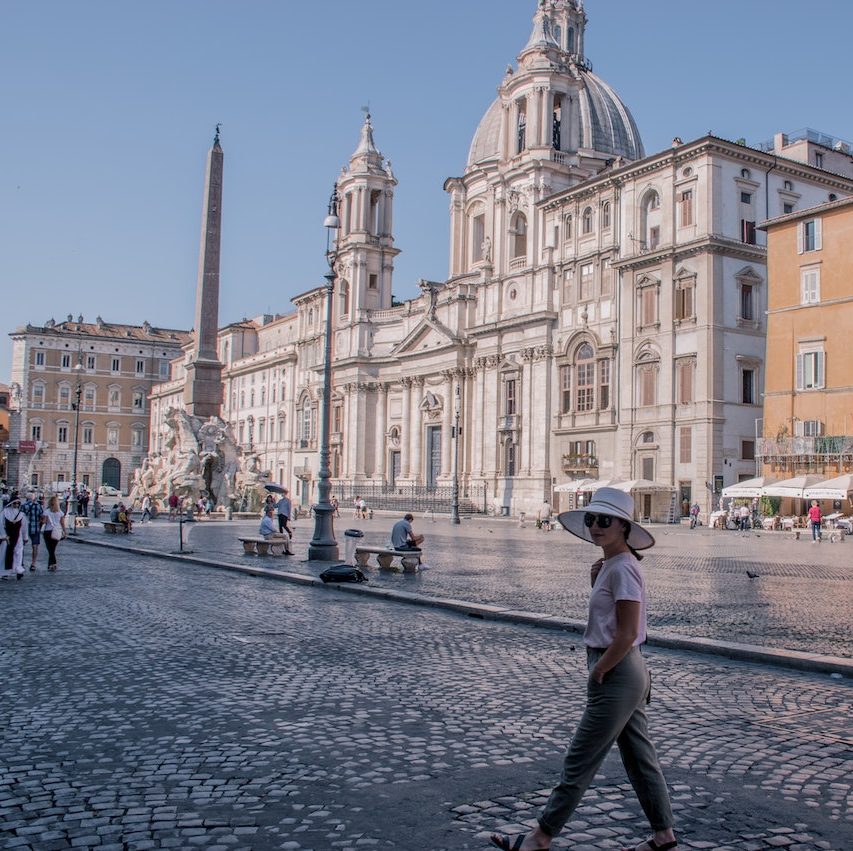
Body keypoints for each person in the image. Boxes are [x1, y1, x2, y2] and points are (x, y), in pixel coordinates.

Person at [490, 488, 677, 851]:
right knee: (640, 758)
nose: (595, 526)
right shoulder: (611, 566)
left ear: (624, 527)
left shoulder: (623, 568)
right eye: (591, 519)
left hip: (617, 670)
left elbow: (627, 633)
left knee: (581, 758)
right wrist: (597, 582)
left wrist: (599, 671)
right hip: (622, 669)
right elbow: (611, 619)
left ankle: (540, 837)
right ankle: (663, 836)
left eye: (605, 520)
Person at [2, 492, 29, 581]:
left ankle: (18, 570)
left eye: (18, 503)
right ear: (11, 503)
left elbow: (24, 527)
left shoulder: (20, 514)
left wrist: (25, 537)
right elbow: (1, 525)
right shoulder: (4, 512)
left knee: (18, 553)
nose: (16, 505)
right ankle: (6, 572)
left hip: (17, 536)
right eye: (15, 503)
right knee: (7, 553)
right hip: (7, 537)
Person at [42, 494, 66, 572]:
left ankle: (52, 564)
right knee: (52, 549)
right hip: (57, 531)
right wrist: (65, 531)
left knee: (50, 549)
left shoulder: (46, 512)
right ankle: (52, 564)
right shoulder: (60, 512)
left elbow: (44, 522)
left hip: (48, 531)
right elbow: (62, 523)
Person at [21, 492, 44, 571]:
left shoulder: (23, 506)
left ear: (27, 498)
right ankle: (33, 563)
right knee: (35, 546)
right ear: (34, 498)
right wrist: (39, 524)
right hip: (35, 527)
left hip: (24, 528)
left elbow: (20, 517)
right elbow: (42, 517)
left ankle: (21, 563)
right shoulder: (38, 506)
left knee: (21, 546)